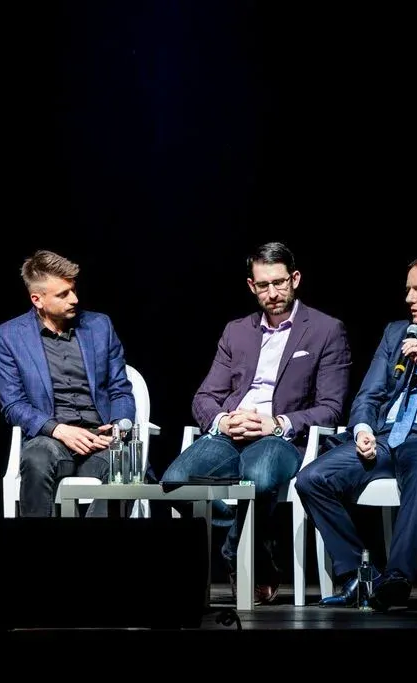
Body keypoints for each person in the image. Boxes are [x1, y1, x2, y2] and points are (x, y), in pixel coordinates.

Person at [295, 254, 417, 611]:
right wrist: (362, 430)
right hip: (385, 438)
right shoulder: (395, 333)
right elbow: (369, 394)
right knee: (312, 478)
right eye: (407, 290)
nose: (409, 299)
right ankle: (359, 576)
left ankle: (397, 578)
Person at [160, 241, 351, 605]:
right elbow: (204, 397)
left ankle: (236, 552)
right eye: (263, 285)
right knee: (175, 482)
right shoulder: (236, 331)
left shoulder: (326, 329)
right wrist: (223, 420)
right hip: (231, 433)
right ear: (251, 285)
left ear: (295, 279)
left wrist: (275, 424)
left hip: (280, 438)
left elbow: (331, 408)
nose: (272, 293)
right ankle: (253, 548)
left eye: (279, 282)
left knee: (258, 479)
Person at [0, 249, 136, 517]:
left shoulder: (99, 326)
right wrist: (58, 429)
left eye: (73, 290)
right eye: (63, 294)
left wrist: (118, 429)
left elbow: (120, 390)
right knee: (35, 458)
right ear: (37, 299)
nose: (74, 299)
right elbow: (13, 405)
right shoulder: (9, 336)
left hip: (100, 438)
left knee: (124, 464)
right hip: (51, 438)